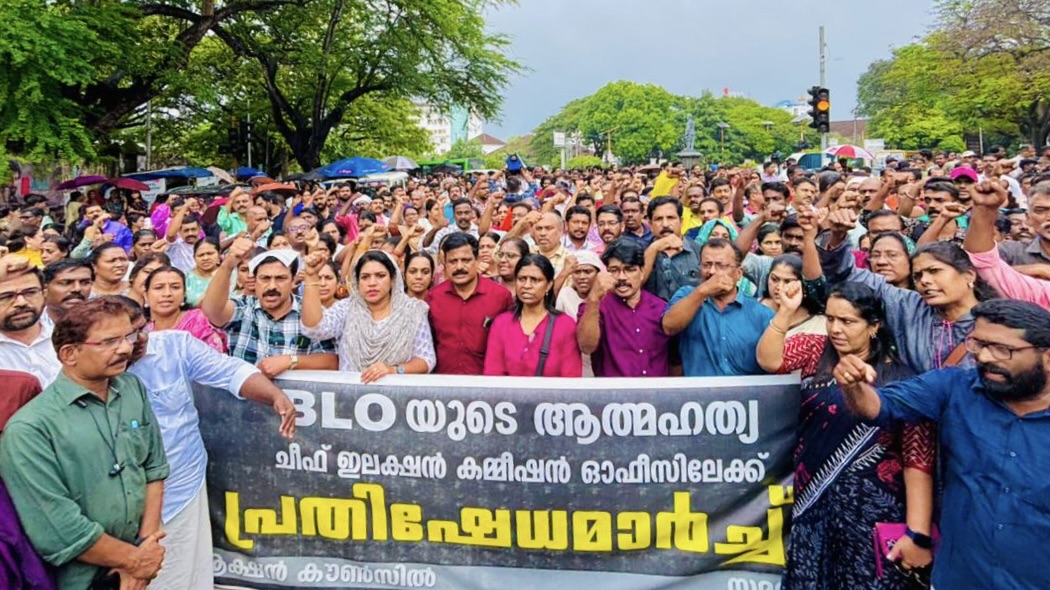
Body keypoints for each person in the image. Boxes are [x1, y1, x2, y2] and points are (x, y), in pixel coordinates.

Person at [833, 299, 1050, 589]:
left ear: (1046, 357)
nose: (984, 357)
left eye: (1002, 349)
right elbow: (878, 406)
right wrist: (855, 385)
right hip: (958, 578)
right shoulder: (953, 387)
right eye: (977, 344)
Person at [756, 282, 935, 588]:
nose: (836, 329)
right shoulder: (817, 352)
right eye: (830, 319)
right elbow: (769, 360)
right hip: (814, 500)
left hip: (873, 511)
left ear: (874, 326)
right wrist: (785, 311)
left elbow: (917, 461)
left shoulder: (901, 380)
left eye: (848, 321)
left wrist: (917, 533)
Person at [123, 299, 294, 590]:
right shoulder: (95, 373)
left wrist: (275, 397)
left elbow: (231, 372)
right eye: (127, 335)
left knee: (180, 576)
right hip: (120, 499)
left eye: (142, 329)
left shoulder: (174, 346)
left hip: (179, 485)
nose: (138, 340)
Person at [0, 297, 168, 590]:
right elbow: (58, 528)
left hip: (136, 570)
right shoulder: (30, 428)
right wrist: (134, 560)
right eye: (109, 342)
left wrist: (146, 549)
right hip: (77, 580)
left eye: (128, 336)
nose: (126, 348)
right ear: (69, 353)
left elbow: (153, 469)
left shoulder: (131, 390)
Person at [819, 209, 996, 372]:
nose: (924, 281)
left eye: (934, 271)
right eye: (917, 276)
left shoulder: (998, 321)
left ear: (969, 276)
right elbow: (845, 274)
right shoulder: (908, 307)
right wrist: (838, 236)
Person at [200, 240, 337, 376]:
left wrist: (290, 361)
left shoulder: (309, 313)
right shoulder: (244, 307)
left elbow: (331, 362)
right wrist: (228, 265)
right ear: (254, 281)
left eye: (280, 278)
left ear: (293, 281)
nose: (272, 286)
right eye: (265, 278)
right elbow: (212, 312)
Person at [301, 250, 434, 380]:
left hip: (397, 396)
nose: (372, 283)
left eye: (380, 276)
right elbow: (315, 328)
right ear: (357, 281)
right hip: (351, 395)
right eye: (365, 277)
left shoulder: (412, 311)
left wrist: (394, 369)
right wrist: (312, 277)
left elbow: (426, 359)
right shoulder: (346, 309)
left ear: (393, 279)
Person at [662, 239, 775, 376]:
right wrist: (702, 291)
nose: (712, 271)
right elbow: (669, 327)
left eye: (721, 266)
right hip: (699, 395)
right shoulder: (687, 295)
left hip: (746, 395)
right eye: (706, 265)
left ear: (738, 274)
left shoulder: (761, 314)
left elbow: (772, 365)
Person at [578, 239, 671, 377]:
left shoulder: (661, 308)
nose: (621, 277)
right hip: (613, 395)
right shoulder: (594, 307)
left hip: (656, 395)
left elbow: (675, 361)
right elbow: (586, 347)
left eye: (629, 269)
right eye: (614, 270)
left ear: (642, 272)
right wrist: (593, 299)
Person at [426, 233, 513, 374]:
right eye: (453, 261)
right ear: (445, 264)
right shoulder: (433, 297)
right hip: (444, 384)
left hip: (487, 384)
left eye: (466, 260)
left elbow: (509, 345)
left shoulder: (500, 296)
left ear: (477, 260)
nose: (459, 266)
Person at [484, 254, 582, 377]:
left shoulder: (565, 325)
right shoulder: (501, 323)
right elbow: (493, 374)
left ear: (549, 285)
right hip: (508, 396)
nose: (527, 286)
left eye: (535, 280)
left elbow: (570, 377)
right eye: (522, 279)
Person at [144, 266, 228, 352]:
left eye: (175, 287)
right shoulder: (141, 328)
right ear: (146, 295)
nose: (167, 293)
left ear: (184, 294)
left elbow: (213, 361)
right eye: (159, 288)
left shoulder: (199, 323)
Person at [643, 197, 701, 302]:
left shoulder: (699, 252)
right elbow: (636, 283)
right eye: (658, 219)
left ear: (681, 222)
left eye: (671, 218)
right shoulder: (640, 252)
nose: (665, 224)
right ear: (650, 225)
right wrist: (654, 248)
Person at [42, 258, 93, 325]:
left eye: (85, 282)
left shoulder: (103, 322)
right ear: (44, 288)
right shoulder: (30, 325)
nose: (77, 289)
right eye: (66, 283)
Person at [184, 237, 220, 306]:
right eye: (201, 255)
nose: (205, 258)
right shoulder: (185, 278)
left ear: (219, 254)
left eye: (210, 253)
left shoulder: (229, 275)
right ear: (194, 258)